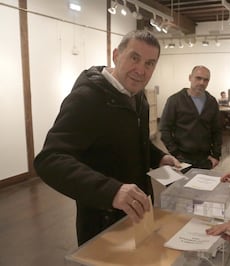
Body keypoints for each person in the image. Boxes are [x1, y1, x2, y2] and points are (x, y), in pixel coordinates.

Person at [34, 30, 180, 246]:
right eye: (134, 58)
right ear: (115, 55)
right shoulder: (87, 99)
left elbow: (131, 141)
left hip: (139, 212)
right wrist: (111, 191)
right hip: (101, 220)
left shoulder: (138, 97)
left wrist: (158, 157)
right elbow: (50, 160)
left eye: (149, 63)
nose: (141, 70)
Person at [159, 65, 222, 170]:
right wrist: (175, 153)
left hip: (204, 159)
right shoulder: (175, 100)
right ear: (190, 78)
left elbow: (217, 130)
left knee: (202, 187)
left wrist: (216, 155)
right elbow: (164, 128)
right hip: (181, 158)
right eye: (198, 78)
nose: (202, 82)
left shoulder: (211, 102)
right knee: (179, 186)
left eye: (206, 80)